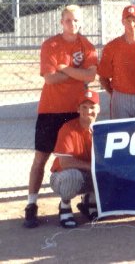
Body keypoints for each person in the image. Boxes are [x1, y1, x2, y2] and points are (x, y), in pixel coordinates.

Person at [24, 5, 98, 229]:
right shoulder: (51, 45)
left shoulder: (86, 45)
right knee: (41, 158)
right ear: (61, 22)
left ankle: (82, 201)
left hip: (76, 111)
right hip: (50, 110)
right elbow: (50, 79)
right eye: (67, 20)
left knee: (81, 155)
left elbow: (91, 75)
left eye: (75, 20)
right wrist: (74, 71)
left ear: (80, 22)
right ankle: (31, 204)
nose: (72, 24)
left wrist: (64, 68)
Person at [49, 89, 100, 228]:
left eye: (92, 107)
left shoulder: (101, 129)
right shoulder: (68, 128)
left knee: (106, 171)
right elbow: (65, 163)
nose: (88, 111)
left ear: (99, 109)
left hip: (87, 174)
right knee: (73, 175)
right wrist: (92, 167)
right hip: (62, 177)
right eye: (84, 107)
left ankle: (90, 202)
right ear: (78, 109)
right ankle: (65, 206)